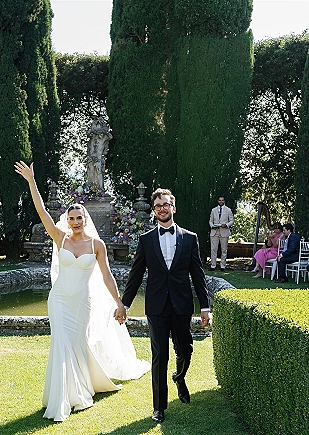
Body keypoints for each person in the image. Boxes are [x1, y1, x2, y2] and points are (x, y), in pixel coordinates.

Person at [15, 161, 150, 422]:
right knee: (61, 345)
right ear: (67, 221)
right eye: (71, 218)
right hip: (60, 300)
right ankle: (61, 399)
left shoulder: (97, 244)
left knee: (76, 345)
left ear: (85, 220)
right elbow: (42, 211)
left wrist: (120, 303)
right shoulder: (60, 238)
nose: (75, 222)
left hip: (82, 303)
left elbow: (107, 276)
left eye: (79, 218)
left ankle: (81, 390)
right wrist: (32, 181)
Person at [120, 188, 211, 424]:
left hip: (181, 305)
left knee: (186, 350)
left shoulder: (190, 238)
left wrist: (204, 306)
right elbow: (136, 274)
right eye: (158, 205)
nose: (162, 208)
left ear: (174, 207)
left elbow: (198, 275)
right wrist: (124, 304)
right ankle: (159, 407)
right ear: (154, 210)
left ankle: (180, 378)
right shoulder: (146, 239)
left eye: (166, 204)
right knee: (159, 355)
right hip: (157, 306)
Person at [208, 196, 233, 271]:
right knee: (213, 249)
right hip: (214, 232)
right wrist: (212, 226)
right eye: (220, 200)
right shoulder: (213, 210)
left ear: (224, 201)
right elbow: (210, 221)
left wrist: (226, 225)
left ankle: (223, 266)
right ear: (218, 201)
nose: (221, 201)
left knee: (224, 250)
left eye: (222, 200)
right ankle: (213, 266)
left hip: (224, 231)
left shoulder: (228, 210)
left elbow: (231, 220)